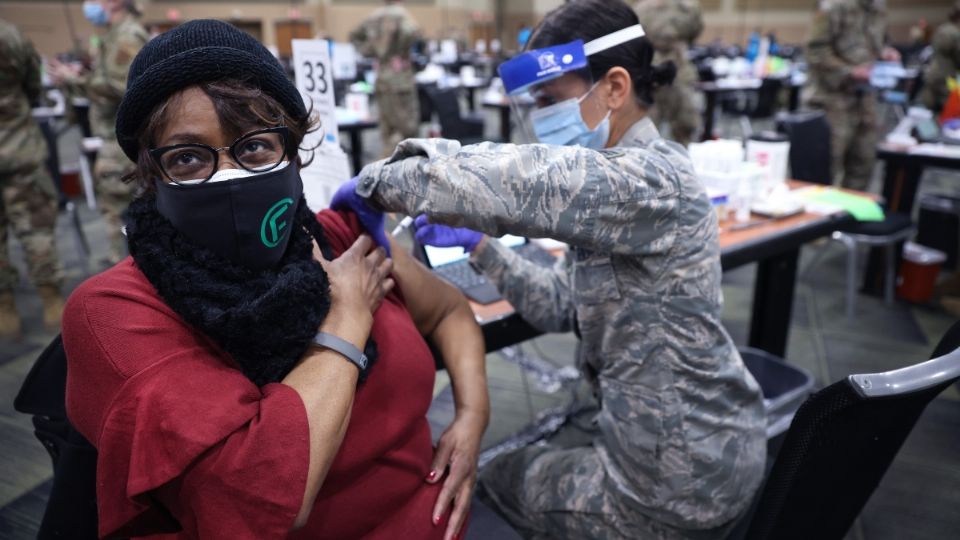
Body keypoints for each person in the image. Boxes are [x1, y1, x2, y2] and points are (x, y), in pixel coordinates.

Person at [334, 1, 766, 538]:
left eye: (550, 99)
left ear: (613, 87)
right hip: (691, 447)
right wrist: (480, 247)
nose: (540, 118)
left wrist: (382, 183)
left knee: (487, 478)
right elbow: (562, 306)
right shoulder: (624, 195)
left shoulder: (650, 181)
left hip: (675, 486)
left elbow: (525, 180)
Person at [62, 20, 488, 540]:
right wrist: (347, 319)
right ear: (150, 172)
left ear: (292, 151)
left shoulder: (343, 238)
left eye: (256, 146)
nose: (229, 175)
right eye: (189, 157)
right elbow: (255, 503)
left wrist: (470, 418)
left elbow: (450, 312)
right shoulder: (120, 311)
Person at [48, 0, 147, 264]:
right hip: (114, 138)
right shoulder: (114, 35)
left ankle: (123, 269)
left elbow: (121, 87)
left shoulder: (127, 35)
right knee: (117, 211)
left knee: (118, 210)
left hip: (122, 143)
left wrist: (74, 79)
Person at [0, 19, 65, 337]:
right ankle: (51, 301)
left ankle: (5, 309)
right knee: (37, 229)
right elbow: (32, 85)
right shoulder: (8, 34)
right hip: (20, 148)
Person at [804, 0, 901, 191]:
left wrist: (885, 53)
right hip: (832, 100)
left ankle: (852, 217)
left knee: (863, 162)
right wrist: (849, 71)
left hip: (865, 99)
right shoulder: (834, 7)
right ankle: (823, 216)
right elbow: (815, 51)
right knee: (824, 166)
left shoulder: (878, 9)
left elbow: (877, 43)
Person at [350, 0, 423, 159]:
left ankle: (386, 170)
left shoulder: (373, 17)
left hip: (381, 76)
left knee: (388, 131)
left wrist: (370, 50)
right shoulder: (400, 13)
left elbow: (354, 35)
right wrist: (400, 51)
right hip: (400, 78)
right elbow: (414, 32)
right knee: (407, 130)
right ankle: (383, 166)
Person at [633, 0, 703, 146]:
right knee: (647, 125)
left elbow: (695, 31)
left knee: (686, 122)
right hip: (650, 70)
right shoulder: (642, 8)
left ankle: (686, 157)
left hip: (679, 69)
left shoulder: (685, 7)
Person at [920, 2, 960, 114]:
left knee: (933, 112)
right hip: (946, 78)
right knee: (949, 112)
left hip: (933, 74)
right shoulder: (955, 33)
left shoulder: (942, 28)